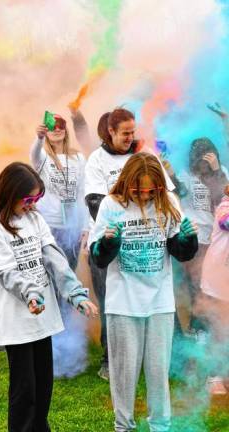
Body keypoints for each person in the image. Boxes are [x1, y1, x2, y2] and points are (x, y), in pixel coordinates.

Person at [0, 162, 98, 432]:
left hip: (43, 320)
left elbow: (55, 259)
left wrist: (75, 294)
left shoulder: (35, 219)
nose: (33, 205)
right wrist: (32, 294)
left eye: (37, 199)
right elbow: (6, 273)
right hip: (17, 322)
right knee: (25, 393)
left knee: (43, 388)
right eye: (28, 199)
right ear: (10, 194)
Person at [89, 153, 198, 432]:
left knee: (158, 372)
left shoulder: (168, 202)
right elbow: (97, 258)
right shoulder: (111, 206)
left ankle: (160, 426)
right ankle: (123, 426)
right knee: (124, 374)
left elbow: (180, 252)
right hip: (123, 302)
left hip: (159, 300)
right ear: (127, 183)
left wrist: (188, 239)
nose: (145, 196)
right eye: (139, 191)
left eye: (152, 191)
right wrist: (109, 243)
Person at [83, 108, 175, 380]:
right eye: (125, 133)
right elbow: (95, 204)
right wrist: (129, 219)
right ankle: (111, 360)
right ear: (110, 131)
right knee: (112, 302)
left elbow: (168, 194)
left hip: (149, 243)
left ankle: (152, 361)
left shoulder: (145, 154)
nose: (130, 137)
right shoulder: (96, 161)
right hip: (110, 245)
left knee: (154, 299)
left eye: (133, 131)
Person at [32, 112, 90, 377]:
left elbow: (84, 193)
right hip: (51, 227)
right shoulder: (43, 157)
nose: (57, 130)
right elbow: (33, 156)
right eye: (52, 127)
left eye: (61, 127)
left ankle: (66, 338)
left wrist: (86, 226)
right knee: (51, 282)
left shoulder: (78, 158)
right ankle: (49, 340)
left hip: (73, 227)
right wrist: (38, 137)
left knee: (68, 280)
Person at [172, 138, 228, 338]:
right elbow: (179, 191)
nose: (203, 166)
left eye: (207, 161)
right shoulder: (187, 174)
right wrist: (169, 172)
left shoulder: (220, 171)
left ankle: (209, 328)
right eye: (200, 162)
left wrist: (215, 171)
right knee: (194, 285)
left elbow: (224, 198)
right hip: (194, 237)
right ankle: (198, 329)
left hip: (215, 242)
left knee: (211, 287)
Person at [200, 184, 229, 395]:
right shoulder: (224, 207)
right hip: (218, 282)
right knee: (219, 330)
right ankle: (213, 377)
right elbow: (226, 222)